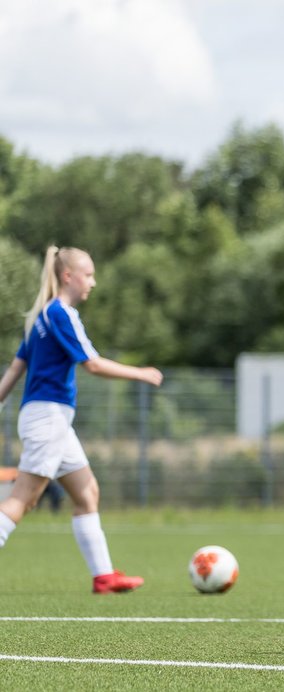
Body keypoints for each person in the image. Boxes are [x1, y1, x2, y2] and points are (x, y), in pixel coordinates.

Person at [0, 246, 164, 593]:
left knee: (87, 492)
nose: (93, 281)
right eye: (88, 274)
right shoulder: (61, 314)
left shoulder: (39, 316)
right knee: (23, 498)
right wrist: (140, 373)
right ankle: (103, 575)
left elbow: (16, 368)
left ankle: (103, 576)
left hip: (51, 419)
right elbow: (92, 363)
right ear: (68, 276)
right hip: (49, 418)